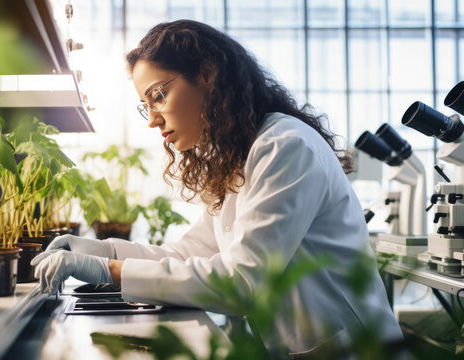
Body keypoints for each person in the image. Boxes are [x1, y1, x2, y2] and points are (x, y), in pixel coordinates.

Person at [31, 19, 403, 356]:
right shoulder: (239, 154)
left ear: (207, 75)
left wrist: (107, 269)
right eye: (146, 106)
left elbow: (243, 281)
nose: (153, 120)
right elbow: (191, 251)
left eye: (159, 95)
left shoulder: (284, 145)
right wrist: (101, 249)